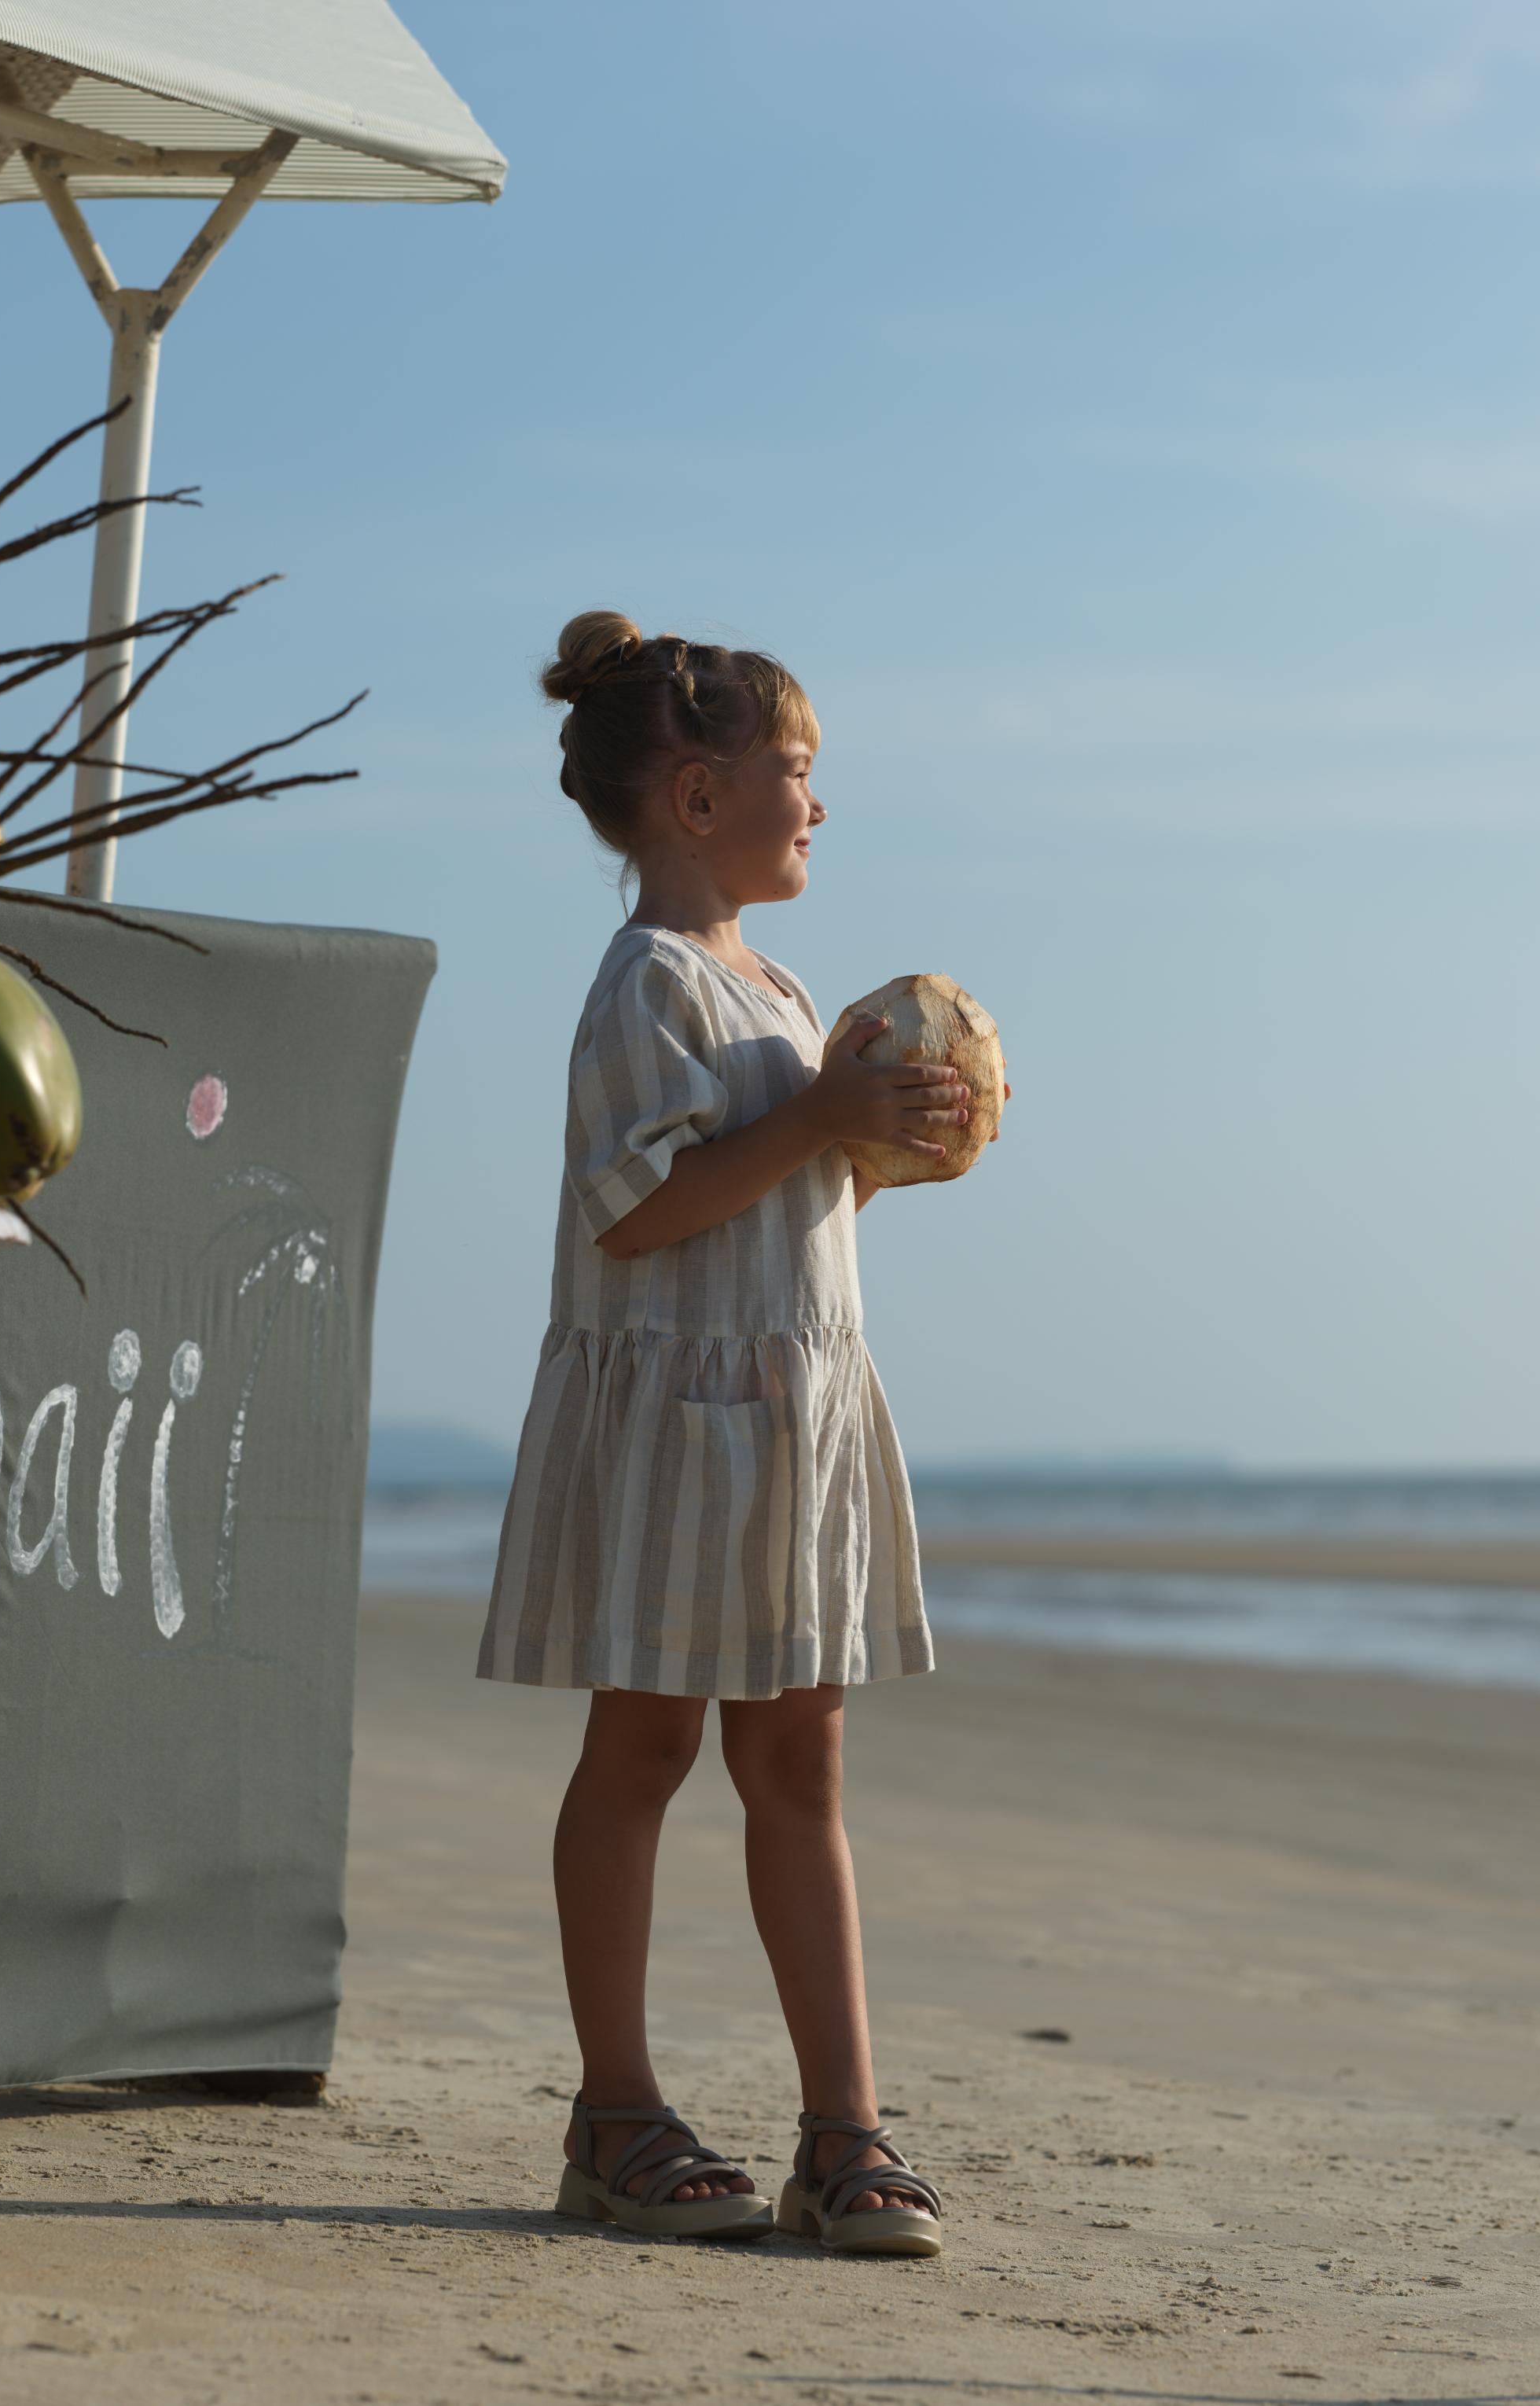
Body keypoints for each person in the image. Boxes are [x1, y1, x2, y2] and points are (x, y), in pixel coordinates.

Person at [479, 611, 988, 2258]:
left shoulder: (783, 988)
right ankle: (615, 2109)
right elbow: (638, 1213)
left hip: (791, 1410)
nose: (819, 803)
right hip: (677, 1418)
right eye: (798, 770)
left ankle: (843, 2128)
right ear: (698, 799)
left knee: (800, 1759)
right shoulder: (653, 983)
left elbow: (777, 1205)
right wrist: (820, 1119)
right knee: (644, 1748)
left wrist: (885, 1144)